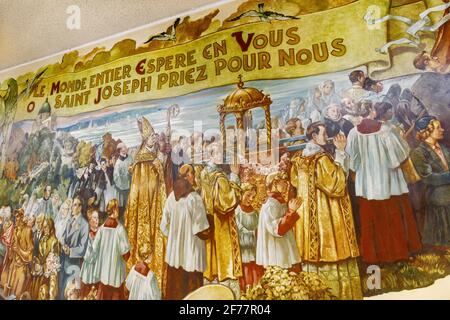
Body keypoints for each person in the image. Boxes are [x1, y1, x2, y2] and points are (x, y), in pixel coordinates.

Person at [290, 122, 362, 300]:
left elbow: (294, 182)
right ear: (314, 137)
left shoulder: (298, 158)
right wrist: (340, 152)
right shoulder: (322, 159)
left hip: (308, 219)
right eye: (324, 134)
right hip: (326, 218)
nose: (327, 136)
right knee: (331, 253)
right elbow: (336, 185)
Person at [346, 103, 422, 264]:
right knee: (394, 216)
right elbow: (400, 156)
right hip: (389, 181)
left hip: (367, 185)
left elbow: (352, 163)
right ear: (372, 112)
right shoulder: (387, 130)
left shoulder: (353, 133)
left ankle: (375, 257)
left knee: (372, 220)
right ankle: (400, 253)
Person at [124, 116, 168, 296]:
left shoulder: (152, 154)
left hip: (153, 202)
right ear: (145, 139)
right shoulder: (142, 157)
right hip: (142, 202)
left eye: (155, 136)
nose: (154, 139)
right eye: (152, 137)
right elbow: (136, 184)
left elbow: (161, 174)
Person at [199, 142, 243, 299]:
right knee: (225, 260)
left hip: (209, 222)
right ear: (210, 155)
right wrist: (235, 176)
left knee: (211, 259)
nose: (221, 156)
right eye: (217, 153)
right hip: (221, 224)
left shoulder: (204, 173)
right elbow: (227, 202)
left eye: (221, 153)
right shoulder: (219, 178)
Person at [160, 164, 210, 300]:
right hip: (192, 255)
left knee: (174, 291)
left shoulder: (171, 196)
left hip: (174, 255)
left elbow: (163, 226)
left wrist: (174, 240)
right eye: (193, 173)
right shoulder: (195, 199)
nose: (194, 176)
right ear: (187, 176)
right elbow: (201, 229)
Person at [411, 116, 450, 248]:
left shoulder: (443, 148)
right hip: (437, 195)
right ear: (427, 131)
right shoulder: (419, 152)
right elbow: (429, 178)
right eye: (438, 127)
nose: (442, 130)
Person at [84, 199, 130, 300]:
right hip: (116, 274)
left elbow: (94, 248)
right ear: (114, 210)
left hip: (103, 273)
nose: (119, 210)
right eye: (117, 208)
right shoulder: (120, 230)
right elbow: (125, 253)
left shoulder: (101, 229)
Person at [256, 172, 301, 270]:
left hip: (283, 246)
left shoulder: (279, 201)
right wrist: (291, 212)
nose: (286, 185)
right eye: (283, 182)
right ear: (275, 184)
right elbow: (277, 229)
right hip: (276, 250)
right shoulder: (271, 204)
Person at [59, 196, 89, 300]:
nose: (73, 207)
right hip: (64, 262)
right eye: (73, 204)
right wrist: (63, 244)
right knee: (61, 290)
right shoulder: (69, 221)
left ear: (80, 207)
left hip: (74, 265)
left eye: (76, 205)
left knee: (70, 293)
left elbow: (83, 249)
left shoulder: (84, 225)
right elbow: (62, 236)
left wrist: (70, 251)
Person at [235, 182, 263, 290]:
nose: (251, 199)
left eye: (253, 196)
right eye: (248, 195)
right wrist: (248, 232)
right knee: (246, 265)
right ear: (241, 194)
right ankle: (247, 288)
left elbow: (258, 226)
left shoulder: (255, 212)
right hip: (243, 245)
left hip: (254, 244)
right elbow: (238, 226)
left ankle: (257, 287)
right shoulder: (237, 210)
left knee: (255, 265)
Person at [3, 209, 33, 298]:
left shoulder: (28, 231)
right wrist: (11, 248)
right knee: (6, 295)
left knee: (17, 295)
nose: (17, 219)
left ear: (22, 217)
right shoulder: (15, 230)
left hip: (22, 269)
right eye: (15, 216)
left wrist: (18, 250)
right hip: (13, 267)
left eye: (19, 216)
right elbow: (11, 256)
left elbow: (29, 255)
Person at [30, 218, 60, 300]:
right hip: (40, 272)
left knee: (47, 292)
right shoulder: (42, 240)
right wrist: (36, 263)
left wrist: (42, 267)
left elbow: (53, 262)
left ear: (51, 227)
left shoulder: (54, 241)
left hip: (50, 274)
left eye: (46, 227)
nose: (44, 229)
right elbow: (40, 256)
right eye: (43, 227)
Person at [80, 208, 100, 298]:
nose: (97, 220)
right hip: (89, 267)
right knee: (87, 291)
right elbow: (87, 255)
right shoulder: (86, 234)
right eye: (94, 218)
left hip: (99, 267)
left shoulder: (101, 232)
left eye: (97, 218)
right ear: (89, 220)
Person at [113, 142, 133, 218]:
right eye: (124, 147)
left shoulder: (130, 157)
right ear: (120, 150)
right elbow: (116, 177)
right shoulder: (118, 163)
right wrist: (122, 185)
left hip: (132, 183)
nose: (126, 148)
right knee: (126, 203)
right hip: (124, 187)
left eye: (125, 146)